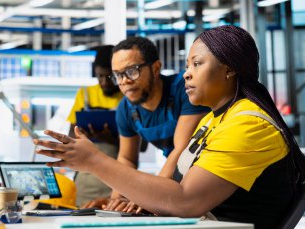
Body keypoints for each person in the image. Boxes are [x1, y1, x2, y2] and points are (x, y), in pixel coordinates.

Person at [34, 26, 305, 229]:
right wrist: (137, 199)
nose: (186, 73)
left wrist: (94, 161)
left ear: (229, 69)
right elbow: (178, 184)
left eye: (197, 63)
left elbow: (185, 201)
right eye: (187, 64)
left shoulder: (248, 124)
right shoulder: (215, 118)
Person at [83, 37, 210, 210]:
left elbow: (181, 150)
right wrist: (113, 202)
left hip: (206, 176)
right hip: (175, 182)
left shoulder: (185, 89)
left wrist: (149, 196)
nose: (124, 81)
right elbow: (126, 159)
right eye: (118, 75)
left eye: (132, 71)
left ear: (156, 68)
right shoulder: (126, 109)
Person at [66, 45, 123, 207]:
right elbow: (70, 138)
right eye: (100, 76)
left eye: (110, 77)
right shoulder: (84, 94)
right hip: (85, 181)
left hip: (118, 182)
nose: (104, 82)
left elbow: (141, 147)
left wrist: (111, 139)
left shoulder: (128, 97)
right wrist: (83, 134)